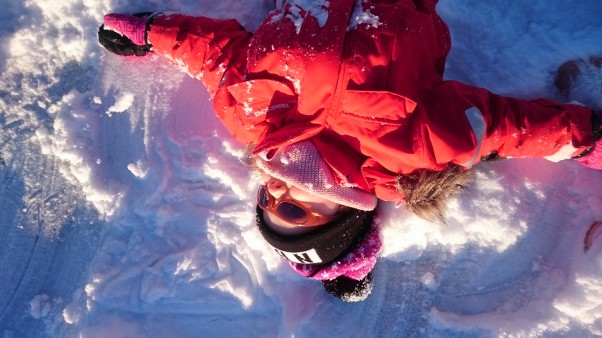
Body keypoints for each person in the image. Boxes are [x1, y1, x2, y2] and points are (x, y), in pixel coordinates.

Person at [97, 0, 602, 302]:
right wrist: (586, 141)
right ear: (347, 210)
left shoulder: (250, 116)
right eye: (293, 209)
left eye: (267, 207)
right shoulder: (410, 150)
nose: (274, 195)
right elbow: (506, 129)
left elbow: (214, 54)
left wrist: (152, 33)